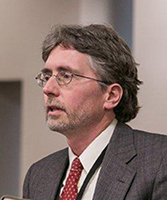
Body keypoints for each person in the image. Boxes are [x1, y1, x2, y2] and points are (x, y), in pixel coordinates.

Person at [23, 24, 167, 200]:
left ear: (111, 96)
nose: (48, 89)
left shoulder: (159, 160)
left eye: (66, 76)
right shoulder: (39, 175)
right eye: (47, 77)